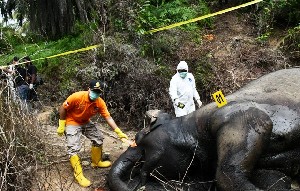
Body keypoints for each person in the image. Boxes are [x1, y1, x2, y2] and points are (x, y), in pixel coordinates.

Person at [56, 80, 128, 187]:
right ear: (89, 89)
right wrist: (62, 124)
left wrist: (119, 132)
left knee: (98, 138)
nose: (96, 94)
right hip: (72, 121)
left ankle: (96, 161)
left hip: (85, 121)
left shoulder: (99, 103)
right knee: (73, 147)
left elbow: (108, 117)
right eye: (94, 91)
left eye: (98, 92)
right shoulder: (77, 97)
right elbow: (62, 108)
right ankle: (78, 174)